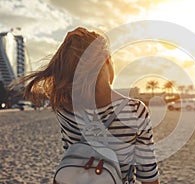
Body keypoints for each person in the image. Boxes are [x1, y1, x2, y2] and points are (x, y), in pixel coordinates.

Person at [17, 27, 159, 184]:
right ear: (107, 59)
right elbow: (148, 176)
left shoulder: (64, 108)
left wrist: (69, 46)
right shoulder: (135, 111)